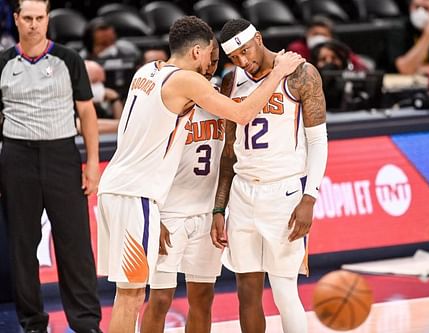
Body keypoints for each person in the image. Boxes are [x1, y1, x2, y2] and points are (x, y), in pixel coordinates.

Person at [96, 16, 304, 333]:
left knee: (132, 294)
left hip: (121, 188)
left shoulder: (146, 73)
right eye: (212, 57)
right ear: (198, 51)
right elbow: (244, 113)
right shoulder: (187, 82)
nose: (212, 67)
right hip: (139, 196)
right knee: (133, 297)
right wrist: (278, 72)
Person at [211, 18, 328, 333]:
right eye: (234, 58)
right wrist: (219, 207)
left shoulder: (301, 74)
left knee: (284, 290)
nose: (243, 61)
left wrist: (310, 196)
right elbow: (228, 152)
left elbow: (318, 141)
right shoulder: (230, 81)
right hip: (243, 193)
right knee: (246, 291)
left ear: (258, 38)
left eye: (245, 51)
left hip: (284, 194)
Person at [0, 1, 102, 333]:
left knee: (75, 244)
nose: (33, 24)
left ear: (47, 19)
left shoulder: (69, 60)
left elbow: (87, 114)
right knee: (23, 245)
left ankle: (86, 323)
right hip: (16, 157)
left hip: (61, 155)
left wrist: (91, 164)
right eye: (27, 18)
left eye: (39, 18)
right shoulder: (2, 63)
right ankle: (33, 323)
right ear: (16, 19)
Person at [140, 38, 223, 333]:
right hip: (170, 211)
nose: (211, 68)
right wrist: (155, 211)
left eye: (216, 62)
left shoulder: (219, 98)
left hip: (205, 211)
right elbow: (147, 157)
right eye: (208, 61)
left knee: (203, 298)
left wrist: (219, 210)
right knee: (160, 299)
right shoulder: (169, 95)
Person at [287, 15, 366, 70]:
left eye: (323, 34)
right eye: (315, 34)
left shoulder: (337, 48)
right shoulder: (297, 48)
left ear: (331, 37)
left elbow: (360, 66)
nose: (319, 37)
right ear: (306, 34)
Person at [388, 0, 429, 74]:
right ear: (410, 7)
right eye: (417, 7)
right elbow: (405, 69)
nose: (421, 12)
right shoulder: (398, 29)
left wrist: (419, 69)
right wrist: (428, 36)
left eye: (426, 8)